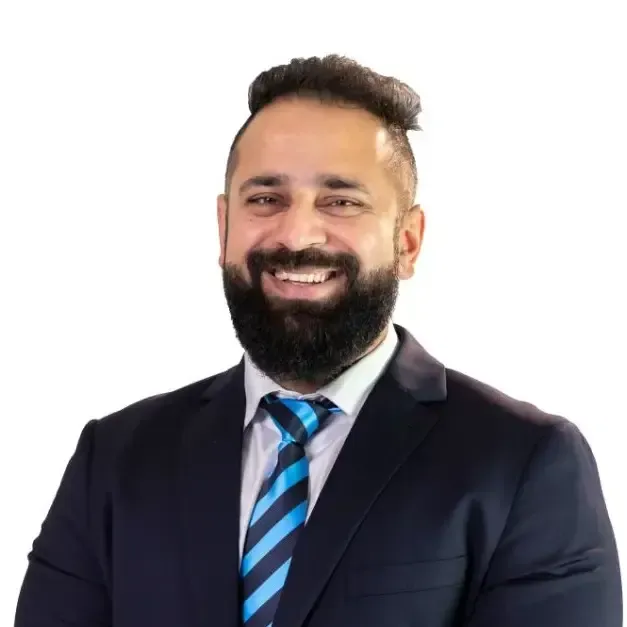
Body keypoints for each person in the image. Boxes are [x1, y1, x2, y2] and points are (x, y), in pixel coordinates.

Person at [14, 54, 621, 627]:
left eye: (341, 201)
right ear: (224, 227)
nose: (297, 234)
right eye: (266, 199)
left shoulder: (523, 463)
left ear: (407, 242)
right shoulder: (115, 459)